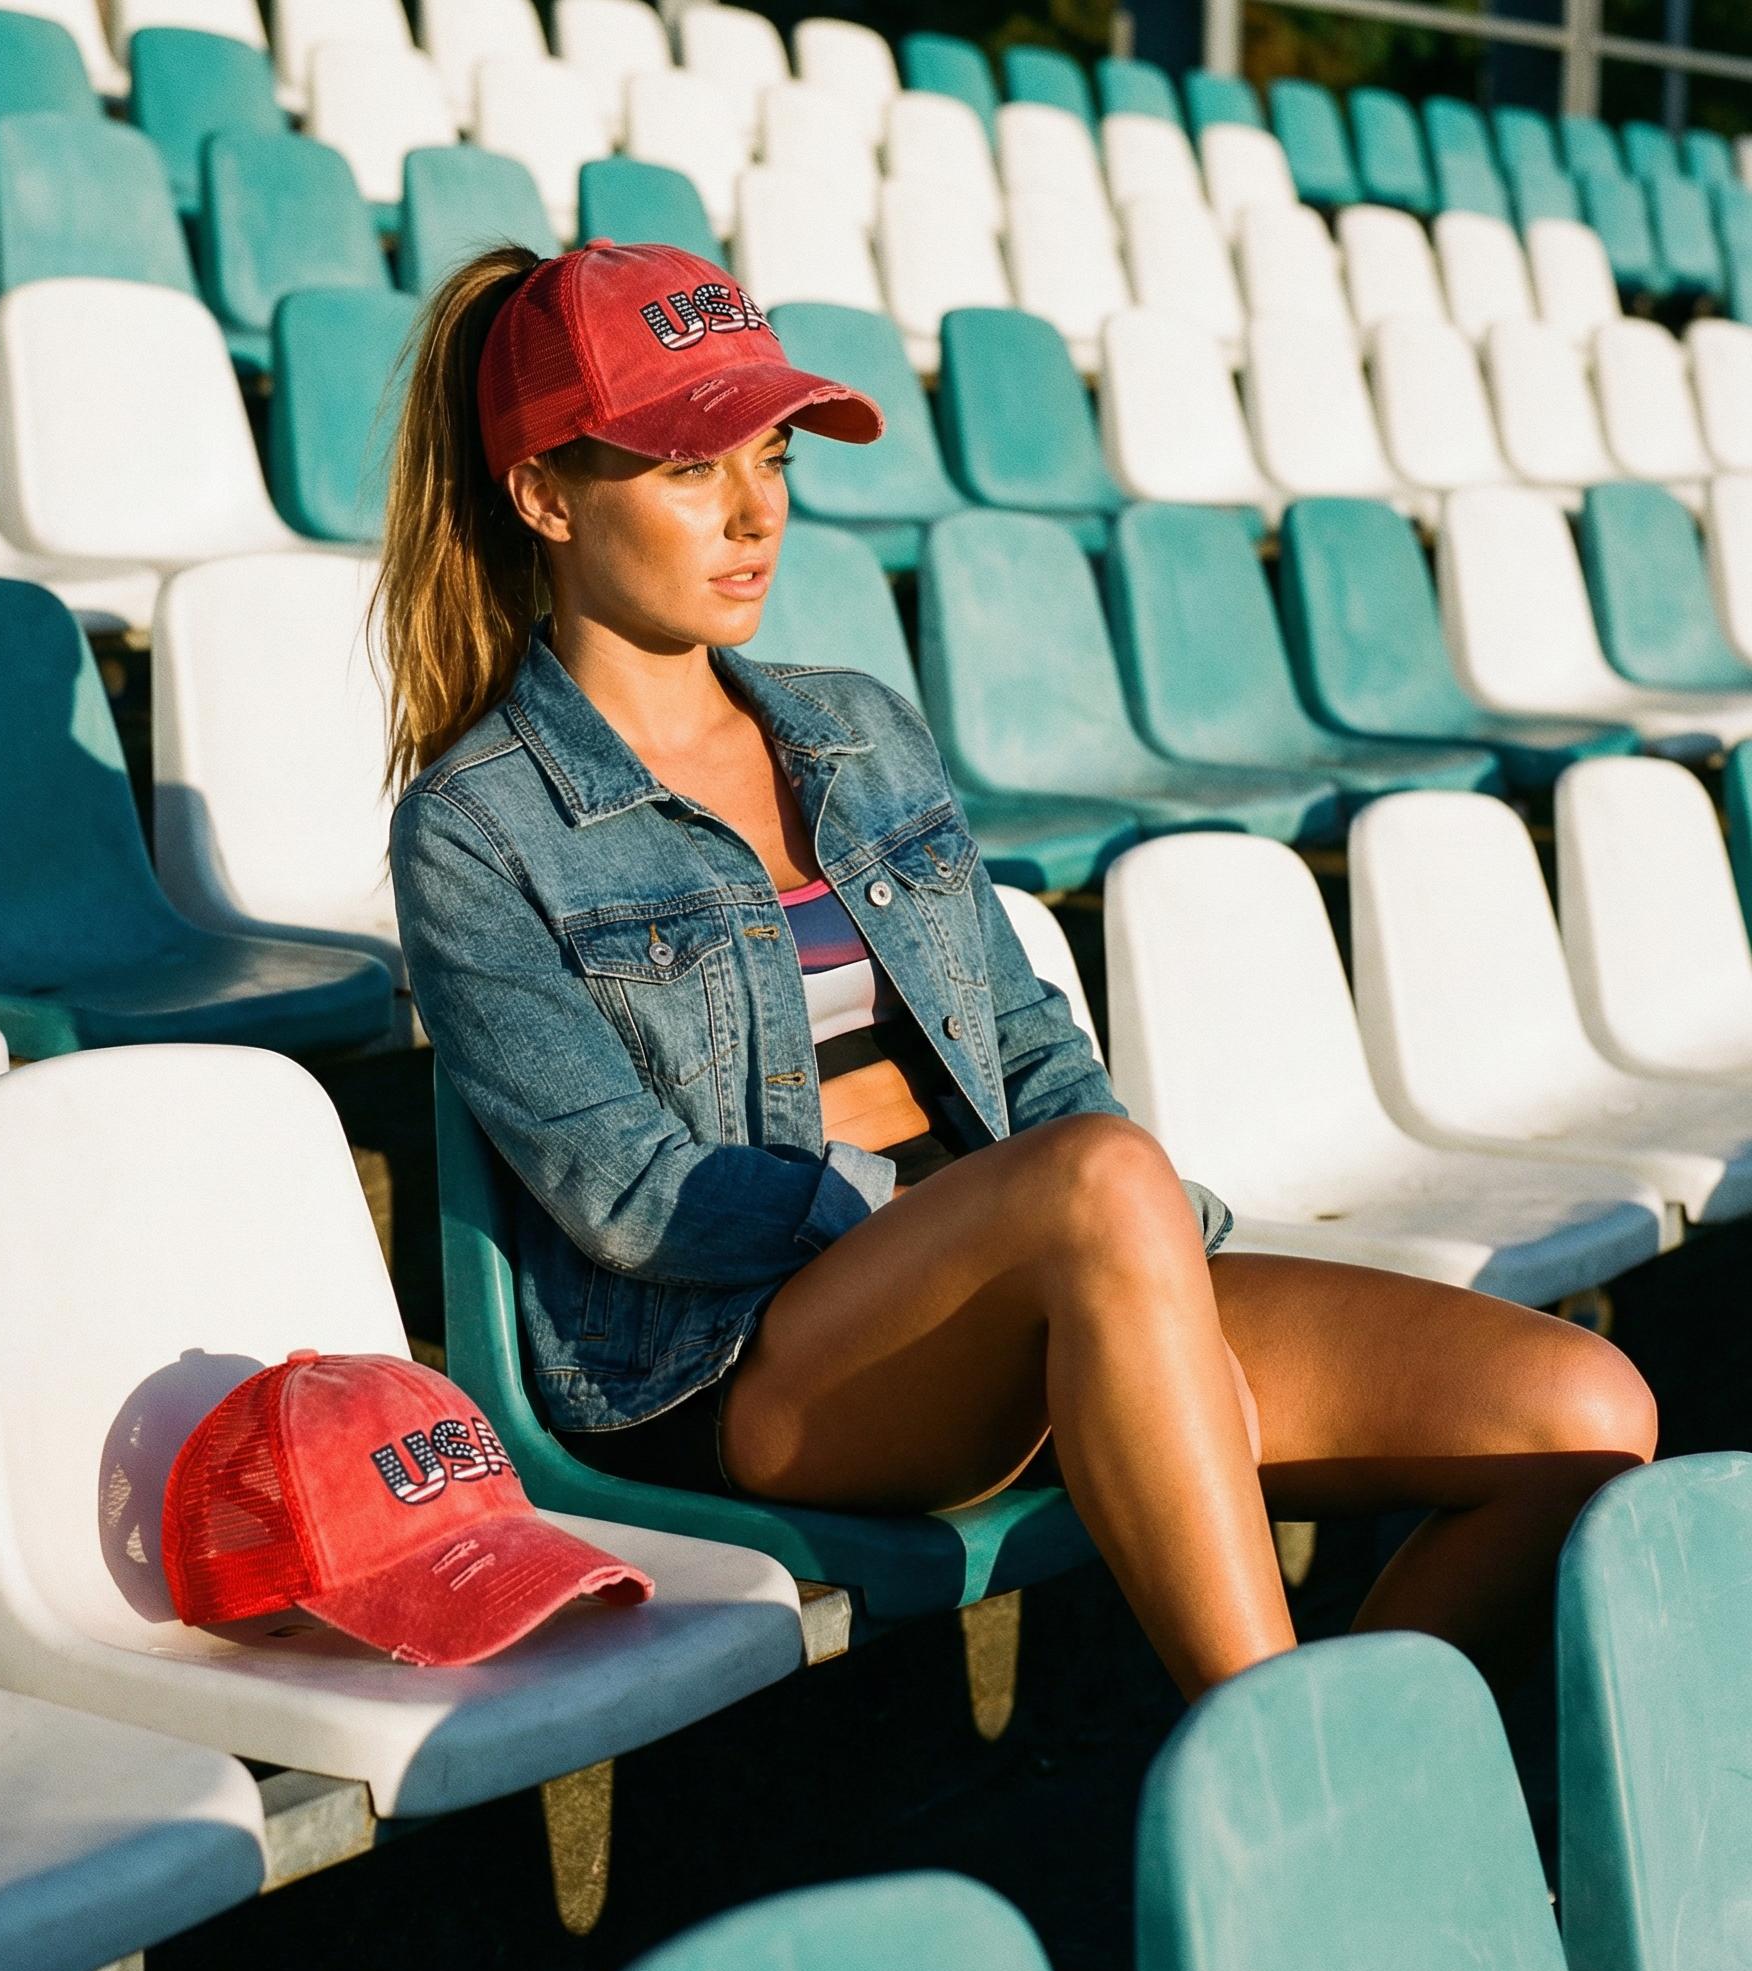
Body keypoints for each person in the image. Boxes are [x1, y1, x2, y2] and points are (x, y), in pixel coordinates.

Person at [382, 240, 1656, 1702]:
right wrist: (972, 1223)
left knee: (1580, 1411)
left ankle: (1311, 1793)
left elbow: (1025, 1037)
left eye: (775, 458)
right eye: (687, 470)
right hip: (750, 1366)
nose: (754, 516)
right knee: (1098, 1180)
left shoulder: (854, 725)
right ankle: (1296, 1779)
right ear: (544, 492)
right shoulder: (477, 823)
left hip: (1027, 1268)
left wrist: (1130, 1251)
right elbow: (623, 1191)